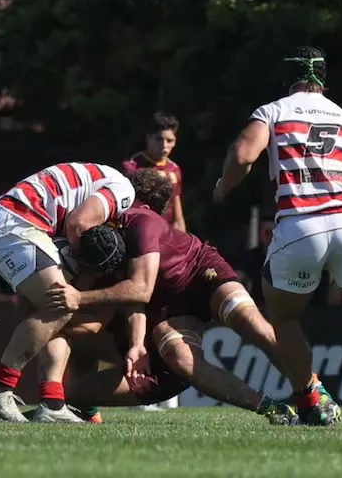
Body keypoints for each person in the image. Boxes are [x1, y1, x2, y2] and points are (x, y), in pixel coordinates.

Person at [213, 45, 342, 423]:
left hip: (299, 227)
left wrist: (223, 187)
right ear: (324, 77)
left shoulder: (273, 111)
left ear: (288, 78)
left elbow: (242, 157)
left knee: (285, 319)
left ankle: (307, 401)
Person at [42, 169, 309, 424]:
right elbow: (131, 300)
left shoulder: (139, 219)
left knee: (250, 322)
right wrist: (133, 343)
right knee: (176, 360)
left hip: (199, 273)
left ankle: (311, 391)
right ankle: (274, 408)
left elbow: (137, 291)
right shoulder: (109, 243)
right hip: (165, 315)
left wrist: (77, 299)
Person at [0, 162, 135, 422]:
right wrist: (85, 270)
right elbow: (77, 224)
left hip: (8, 225)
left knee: (54, 314)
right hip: (16, 226)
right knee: (62, 304)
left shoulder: (102, 177)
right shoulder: (124, 191)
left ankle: (52, 402)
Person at [121, 111, 187, 231]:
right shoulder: (132, 167)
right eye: (158, 139)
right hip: (139, 230)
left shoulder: (174, 170)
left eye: (169, 141)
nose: (164, 145)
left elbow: (177, 214)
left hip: (166, 234)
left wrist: (181, 239)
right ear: (149, 138)